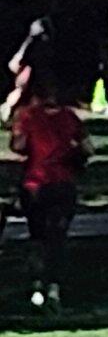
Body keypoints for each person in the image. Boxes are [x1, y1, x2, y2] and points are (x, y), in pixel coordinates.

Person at [8, 68, 87, 310]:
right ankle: (54, 287)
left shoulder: (28, 117)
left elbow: (18, 147)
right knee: (58, 237)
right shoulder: (70, 117)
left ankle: (36, 288)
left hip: (35, 184)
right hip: (63, 183)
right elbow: (88, 149)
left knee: (37, 238)